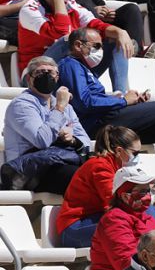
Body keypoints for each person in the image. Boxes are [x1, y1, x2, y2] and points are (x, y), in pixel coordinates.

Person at [57, 27, 155, 179]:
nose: (100, 51)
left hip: (106, 119)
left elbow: (94, 99)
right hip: (95, 124)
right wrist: (123, 101)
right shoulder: (70, 65)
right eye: (96, 46)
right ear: (78, 45)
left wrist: (128, 101)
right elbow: (85, 103)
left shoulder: (84, 68)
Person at [18, 0, 135, 95]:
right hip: (37, 76)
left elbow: (98, 25)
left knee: (114, 39)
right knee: (69, 39)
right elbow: (61, 33)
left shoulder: (73, 6)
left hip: (70, 72)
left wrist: (120, 32)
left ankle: (120, 94)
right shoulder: (30, 9)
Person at [1, 56, 89, 193]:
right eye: (40, 72)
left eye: (51, 72)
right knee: (82, 179)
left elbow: (85, 141)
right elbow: (42, 140)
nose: (47, 76)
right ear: (29, 79)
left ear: (57, 77)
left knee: (95, 174)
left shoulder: (66, 107)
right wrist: (59, 108)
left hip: (60, 160)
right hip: (30, 171)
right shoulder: (21, 104)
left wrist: (72, 140)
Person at [55, 125, 141, 247]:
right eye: (135, 153)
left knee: (147, 214)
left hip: (95, 220)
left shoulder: (118, 167)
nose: (138, 157)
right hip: (74, 229)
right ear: (119, 151)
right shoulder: (100, 166)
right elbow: (113, 201)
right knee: (141, 223)